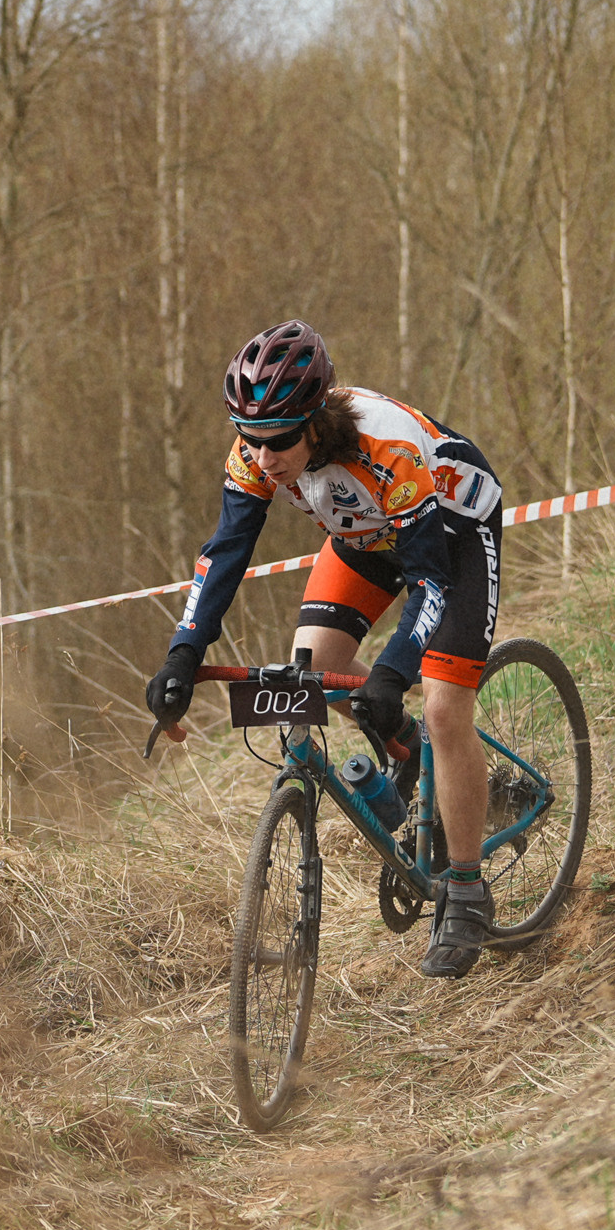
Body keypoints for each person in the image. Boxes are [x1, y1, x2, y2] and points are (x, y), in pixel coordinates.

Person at [146, 318, 506, 980]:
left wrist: (396, 673)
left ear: (316, 422)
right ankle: (413, 755)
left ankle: (466, 889)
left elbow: (429, 582)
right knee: (318, 664)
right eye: (249, 440)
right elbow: (224, 555)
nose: (263, 458)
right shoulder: (255, 455)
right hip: (366, 535)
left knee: (445, 706)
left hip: (450, 535)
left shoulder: (384, 447)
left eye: (278, 441)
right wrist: (183, 652)